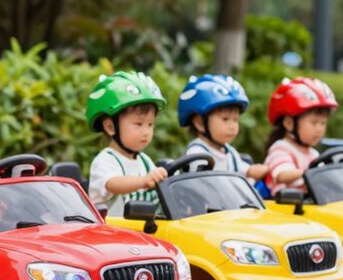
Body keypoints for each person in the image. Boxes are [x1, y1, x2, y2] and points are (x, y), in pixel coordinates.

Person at [86, 71, 168, 217]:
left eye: (150, 124)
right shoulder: (105, 161)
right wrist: (143, 181)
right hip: (111, 234)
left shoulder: (144, 160)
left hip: (143, 233)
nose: (146, 131)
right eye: (139, 124)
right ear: (110, 127)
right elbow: (112, 183)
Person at [176, 74, 268, 180]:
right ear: (199, 123)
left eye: (235, 120)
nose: (232, 126)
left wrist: (257, 170)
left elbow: (245, 171)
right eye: (225, 119)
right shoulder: (197, 154)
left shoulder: (230, 153)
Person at [264, 77, 339, 196]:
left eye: (323, 123)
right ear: (288, 123)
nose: (319, 129)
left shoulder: (313, 154)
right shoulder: (281, 149)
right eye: (314, 123)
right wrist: (311, 172)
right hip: (284, 209)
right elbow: (282, 175)